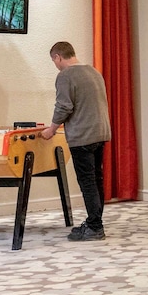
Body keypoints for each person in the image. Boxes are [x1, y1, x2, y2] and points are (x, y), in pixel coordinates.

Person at [41, 42, 112, 240]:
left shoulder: (65, 75)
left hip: (82, 135)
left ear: (58, 57)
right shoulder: (94, 71)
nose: (55, 65)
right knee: (97, 178)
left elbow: (64, 106)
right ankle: (95, 221)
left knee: (87, 181)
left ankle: (95, 227)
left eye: (54, 60)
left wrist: (51, 129)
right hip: (100, 132)